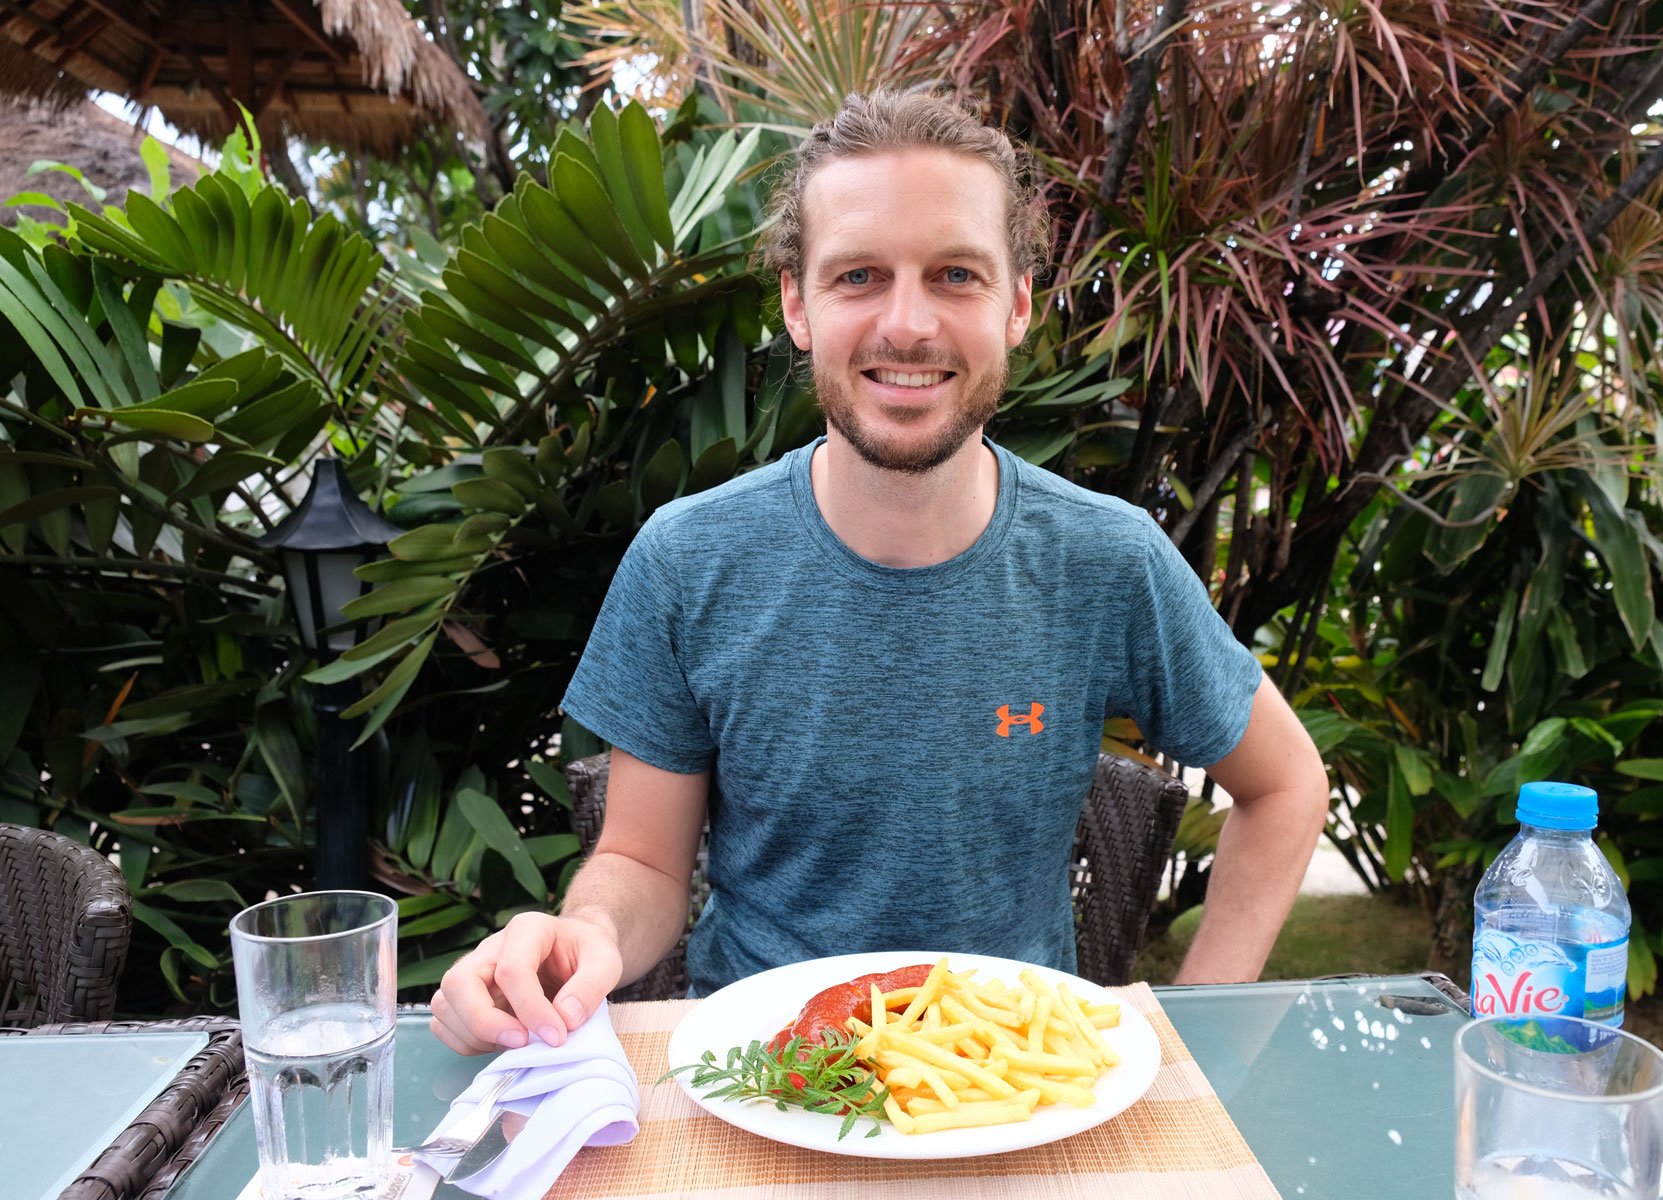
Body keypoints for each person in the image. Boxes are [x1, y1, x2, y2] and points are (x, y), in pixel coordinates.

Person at [430, 89, 1328, 1056]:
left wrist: (1209, 1041)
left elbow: (1285, 786)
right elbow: (643, 861)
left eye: (955, 275)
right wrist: (583, 936)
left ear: (1017, 303)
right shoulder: (688, 561)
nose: (908, 325)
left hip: (1014, 1094)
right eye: (859, 275)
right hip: (763, 1085)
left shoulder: (1107, 561)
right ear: (796, 303)